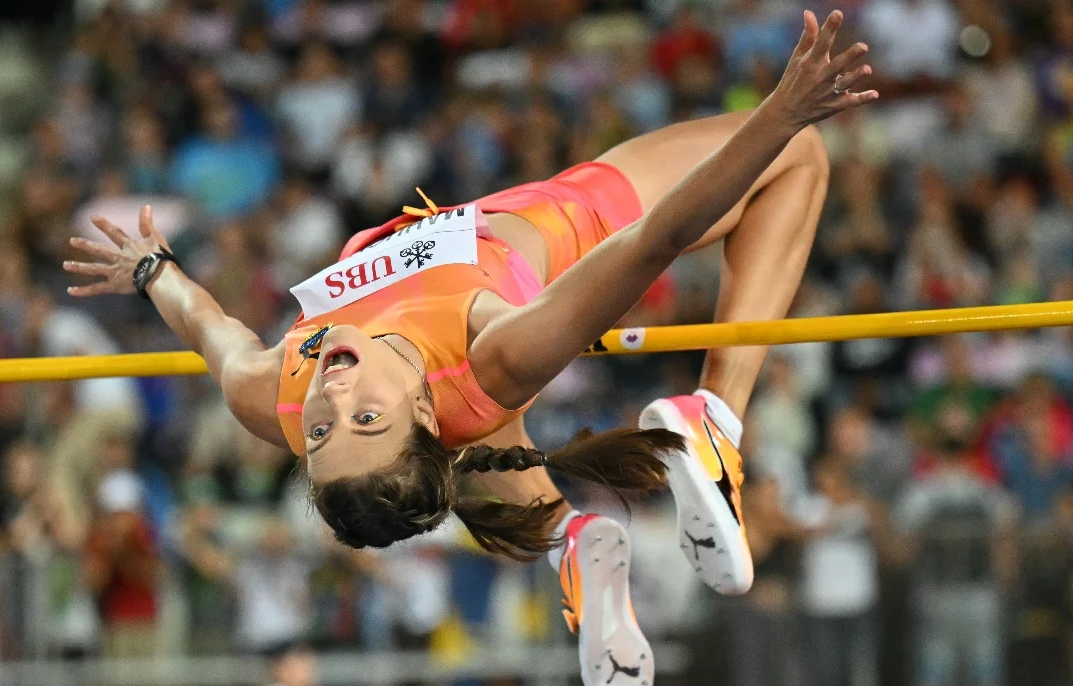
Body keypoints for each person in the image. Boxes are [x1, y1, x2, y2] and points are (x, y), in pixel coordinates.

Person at [62, 11, 875, 685]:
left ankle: (572, 542)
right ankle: (715, 422)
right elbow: (653, 240)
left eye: (319, 433)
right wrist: (780, 116)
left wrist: (152, 270)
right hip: (563, 220)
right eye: (366, 420)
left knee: (471, 430)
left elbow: (209, 325)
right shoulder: (498, 355)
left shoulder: (270, 390)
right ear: (415, 410)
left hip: (451, 291)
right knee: (798, 160)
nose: (332, 398)